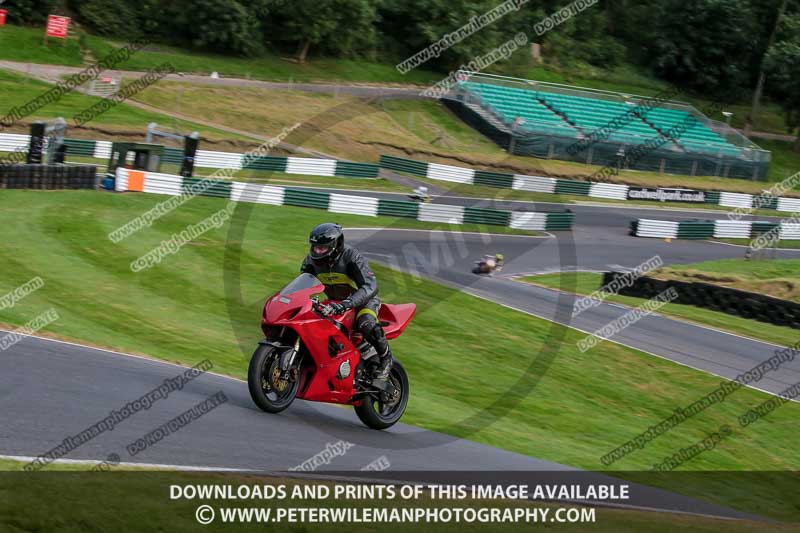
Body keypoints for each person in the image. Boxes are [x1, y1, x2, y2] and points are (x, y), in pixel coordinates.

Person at [300, 223, 393, 381]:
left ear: (335, 245)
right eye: (315, 247)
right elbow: (302, 285)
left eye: (322, 248)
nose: (317, 251)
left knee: (367, 324)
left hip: (363, 302)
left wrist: (347, 303)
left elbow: (371, 286)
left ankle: (386, 359)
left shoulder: (351, 257)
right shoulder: (310, 261)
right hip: (334, 303)